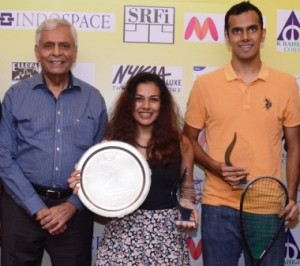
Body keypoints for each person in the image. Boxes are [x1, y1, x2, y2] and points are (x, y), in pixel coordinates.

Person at [183, 1, 300, 266]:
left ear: (263, 33)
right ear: (227, 37)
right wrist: (214, 166)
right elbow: (187, 139)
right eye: (237, 31)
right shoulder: (205, 85)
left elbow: (295, 146)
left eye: (251, 29)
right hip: (218, 206)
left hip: (270, 208)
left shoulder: (286, 84)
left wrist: (291, 197)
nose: (245, 37)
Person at [0, 18, 108, 266]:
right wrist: (37, 207)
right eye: (49, 46)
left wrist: (72, 205)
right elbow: (3, 157)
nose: (57, 53)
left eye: (65, 46)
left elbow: (102, 162)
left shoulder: (93, 99)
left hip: (74, 212)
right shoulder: (16, 96)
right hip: (21, 208)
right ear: (37, 52)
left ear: (75, 52)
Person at [68, 72, 199, 265]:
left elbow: (187, 187)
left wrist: (187, 204)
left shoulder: (181, 143)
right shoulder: (112, 145)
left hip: (166, 240)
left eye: (153, 100)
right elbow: (101, 203)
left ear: (162, 104)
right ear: (130, 103)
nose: (146, 106)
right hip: (121, 238)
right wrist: (85, 186)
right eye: (139, 99)